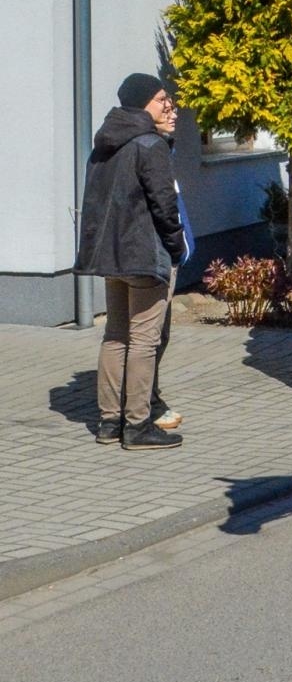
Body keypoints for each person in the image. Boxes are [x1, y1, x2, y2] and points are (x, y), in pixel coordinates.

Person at [76, 74, 191, 450]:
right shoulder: (150, 144)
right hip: (144, 255)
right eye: (162, 100)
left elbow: (95, 202)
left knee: (115, 335)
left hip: (111, 256)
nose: (169, 106)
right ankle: (138, 425)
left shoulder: (104, 143)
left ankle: (109, 422)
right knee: (144, 340)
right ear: (142, 104)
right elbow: (165, 206)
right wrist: (176, 247)